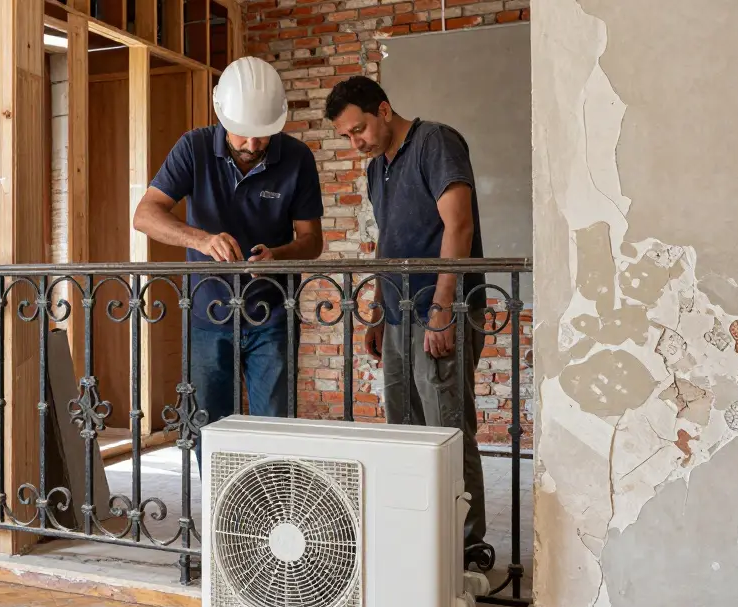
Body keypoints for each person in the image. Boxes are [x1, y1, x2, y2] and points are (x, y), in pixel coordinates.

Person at [325, 76, 491, 569]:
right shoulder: (379, 168)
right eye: (347, 137)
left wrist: (442, 308)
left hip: (443, 310)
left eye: (360, 130)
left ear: (384, 109)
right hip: (397, 315)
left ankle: (466, 547)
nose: (356, 143)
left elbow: (458, 224)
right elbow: (388, 243)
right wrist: (377, 313)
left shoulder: (435, 142)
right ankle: (421, 532)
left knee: (446, 428)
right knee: (404, 427)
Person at [133, 57, 324, 472]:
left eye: (264, 136)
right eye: (245, 135)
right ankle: (223, 521)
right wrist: (201, 239)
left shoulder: (296, 158)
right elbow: (145, 215)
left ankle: (271, 521)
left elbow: (312, 241)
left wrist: (279, 256)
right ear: (222, 115)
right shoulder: (193, 147)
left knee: (275, 425)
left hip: (273, 313)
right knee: (209, 426)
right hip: (206, 313)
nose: (254, 146)